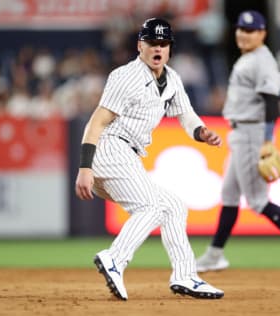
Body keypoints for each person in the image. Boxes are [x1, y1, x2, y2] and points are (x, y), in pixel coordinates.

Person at [75, 17, 224, 300]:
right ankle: (115, 259)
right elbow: (96, 123)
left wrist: (201, 131)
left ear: (170, 48)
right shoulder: (126, 76)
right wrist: (84, 167)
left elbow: (186, 115)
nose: (158, 48)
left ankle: (185, 275)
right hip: (109, 148)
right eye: (153, 43)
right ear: (140, 45)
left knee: (173, 207)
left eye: (164, 43)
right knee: (151, 206)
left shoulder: (172, 79)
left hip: (125, 156)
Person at [196, 10, 280, 278]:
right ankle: (214, 254)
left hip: (252, 134)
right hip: (241, 133)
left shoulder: (260, 60)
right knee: (230, 195)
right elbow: (279, 89)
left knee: (257, 202)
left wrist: (267, 141)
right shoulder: (255, 58)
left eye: (251, 30)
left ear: (263, 33)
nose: (244, 34)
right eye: (241, 29)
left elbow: (271, 101)